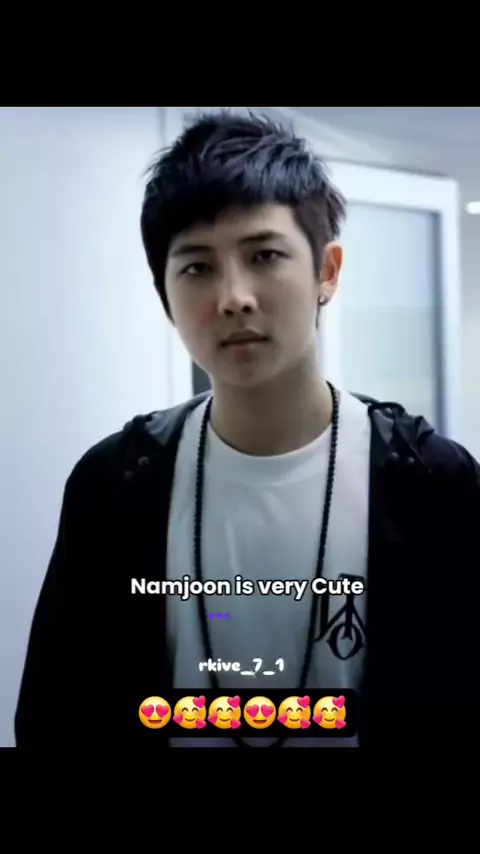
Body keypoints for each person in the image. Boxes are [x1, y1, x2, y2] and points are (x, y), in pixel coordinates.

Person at [15, 110, 480, 757]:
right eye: (197, 268)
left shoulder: (428, 480)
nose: (233, 296)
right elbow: (58, 718)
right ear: (163, 292)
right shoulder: (116, 483)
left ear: (327, 271)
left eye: (264, 256)